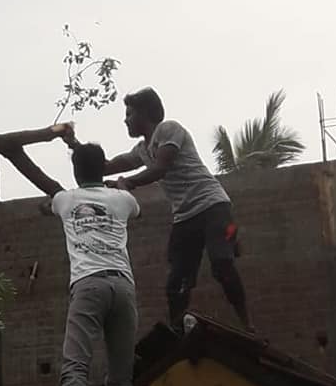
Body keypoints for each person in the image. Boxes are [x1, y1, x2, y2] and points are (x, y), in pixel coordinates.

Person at [99, 87, 251, 332]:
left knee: (222, 264)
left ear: (144, 113)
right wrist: (75, 146)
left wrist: (128, 182)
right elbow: (106, 167)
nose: (125, 120)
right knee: (177, 282)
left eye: (129, 114)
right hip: (185, 217)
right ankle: (177, 332)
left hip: (212, 205)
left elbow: (161, 168)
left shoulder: (169, 129)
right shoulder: (141, 150)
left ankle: (246, 323)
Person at [50, 143, 140, 386]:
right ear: (104, 168)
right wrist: (122, 185)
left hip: (88, 285)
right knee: (122, 379)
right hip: (123, 286)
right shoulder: (122, 200)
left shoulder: (65, 200)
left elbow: (42, 184)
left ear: (75, 172)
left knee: (75, 367)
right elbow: (135, 208)